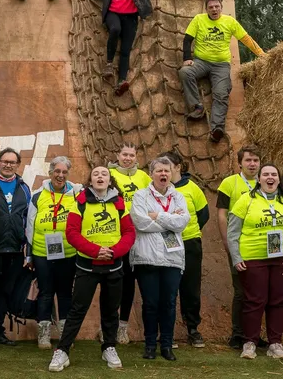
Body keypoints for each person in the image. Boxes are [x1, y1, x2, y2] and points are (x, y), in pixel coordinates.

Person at [48, 166, 136, 372]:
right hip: (87, 266)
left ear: (109, 180)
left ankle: (109, 347)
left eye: (104, 174)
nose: (100, 177)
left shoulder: (120, 203)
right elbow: (72, 233)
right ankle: (62, 351)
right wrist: (96, 251)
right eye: (95, 174)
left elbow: (129, 232)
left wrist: (113, 252)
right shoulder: (79, 202)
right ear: (90, 180)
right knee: (77, 309)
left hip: (114, 266)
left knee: (110, 310)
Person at [228, 163, 283, 360]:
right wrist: (236, 257)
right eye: (266, 174)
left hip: (282, 259)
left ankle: (275, 344)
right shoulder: (246, 200)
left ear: (279, 179)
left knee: (277, 301)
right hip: (253, 258)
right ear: (259, 179)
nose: (270, 178)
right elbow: (233, 231)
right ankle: (249, 342)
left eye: (274, 174)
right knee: (254, 300)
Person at [180, 0, 266, 142]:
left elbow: (246, 38)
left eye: (216, 7)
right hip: (201, 61)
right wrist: (187, 58)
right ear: (206, 9)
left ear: (221, 7)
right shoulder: (199, 19)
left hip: (221, 65)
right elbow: (187, 40)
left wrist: (261, 54)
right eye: (211, 7)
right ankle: (197, 107)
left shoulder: (229, 22)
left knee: (222, 92)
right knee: (185, 72)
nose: (214, 9)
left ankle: (216, 128)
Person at [129, 157, 189, 360]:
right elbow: (140, 222)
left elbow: (182, 223)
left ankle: (166, 345)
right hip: (147, 258)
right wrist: (170, 219)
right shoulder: (140, 196)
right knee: (151, 303)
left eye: (167, 171)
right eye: (159, 171)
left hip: (172, 259)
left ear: (172, 174)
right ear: (152, 173)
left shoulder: (178, 197)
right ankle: (149, 345)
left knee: (169, 303)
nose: (163, 174)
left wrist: (157, 216)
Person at [26, 156, 82, 349]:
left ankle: (66, 335)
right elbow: (30, 225)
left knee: (66, 293)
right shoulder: (37, 195)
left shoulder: (76, 194)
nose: (60, 175)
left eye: (64, 172)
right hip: (42, 252)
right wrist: (29, 253)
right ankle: (44, 334)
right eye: (56, 172)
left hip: (68, 252)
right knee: (45, 292)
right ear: (50, 173)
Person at [215, 145, 263, 348]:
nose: (252, 164)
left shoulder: (267, 182)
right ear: (240, 163)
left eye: (256, 160)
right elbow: (221, 213)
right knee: (241, 290)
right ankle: (237, 334)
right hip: (239, 245)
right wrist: (227, 241)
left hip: (260, 246)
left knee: (258, 292)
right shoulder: (229, 183)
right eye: (248, 160)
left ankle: (254, 334)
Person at [0, 147, 32, 346]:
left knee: (5, 292)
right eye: (5, 161)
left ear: (17, 165)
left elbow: (29, 218)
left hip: (14, 249)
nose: (8, 165)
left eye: (12, 162)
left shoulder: (23, 187)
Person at [163, 151, 208, 347]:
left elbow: (203, 215)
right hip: (166, 243)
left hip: (190, 243)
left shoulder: (193, 188)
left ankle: (193, 329)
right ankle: (167, 331)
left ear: (178, 167)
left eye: (168, 167)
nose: (164, 172)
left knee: (190, 288)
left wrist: (188, 232)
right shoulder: (158, 189)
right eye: (161, 168)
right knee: (167, 288)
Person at [108, 143, 150, 343]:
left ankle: (122, 328)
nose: (127, 158)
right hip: (115, 237)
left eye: (131, 155)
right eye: (124, 154)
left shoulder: (143, 177)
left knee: (130, 283)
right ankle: (107, 326)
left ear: (136, 157)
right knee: (112, 282)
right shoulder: (108, 173)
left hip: (139, 237)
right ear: (118, 155)